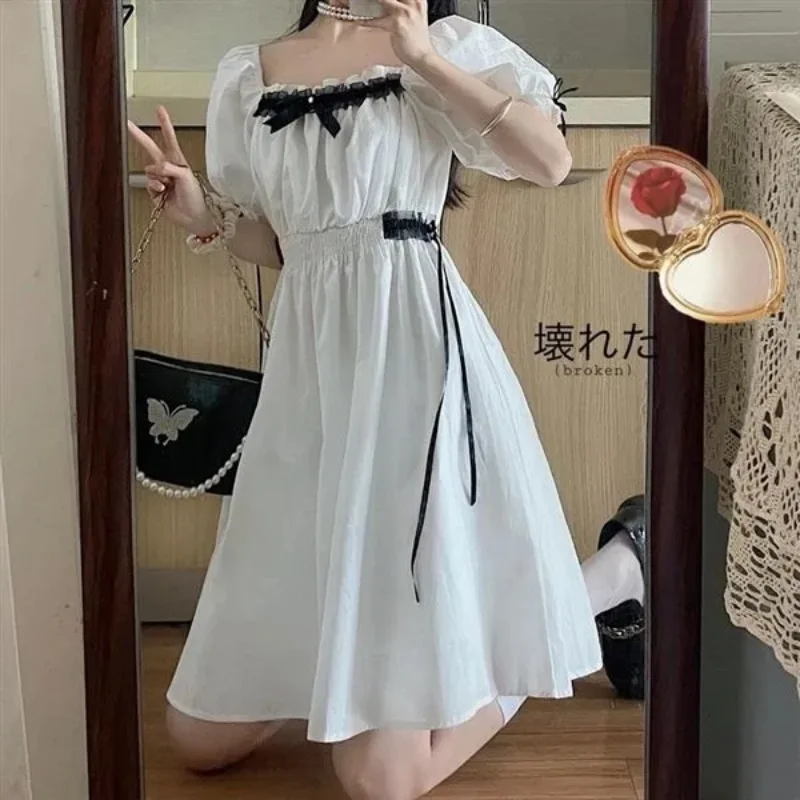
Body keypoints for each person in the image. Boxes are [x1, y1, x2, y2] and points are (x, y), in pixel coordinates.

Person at [128, 2, 646, 798]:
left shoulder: (446, 45)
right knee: (198, 739)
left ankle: (616, 574)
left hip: (416, 368)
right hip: (311, 381)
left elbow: (547, 161)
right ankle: (349, 672)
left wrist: (425, 60)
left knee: (379, 780)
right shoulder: (250, 72)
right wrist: (203, 214)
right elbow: (288, 242)